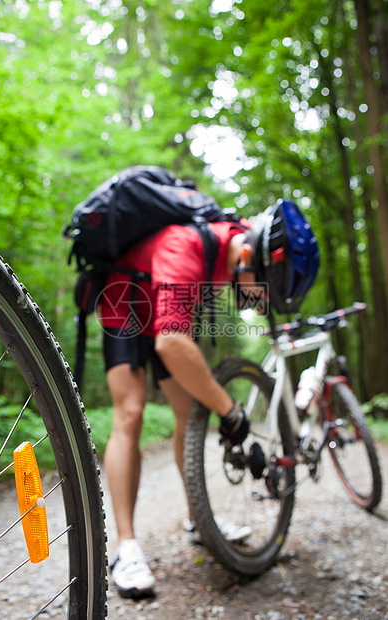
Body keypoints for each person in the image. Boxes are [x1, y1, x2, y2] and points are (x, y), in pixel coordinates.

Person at [97, 199, 319, 599]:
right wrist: (229, 409)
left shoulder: (229, 250)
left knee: (188, 415)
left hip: (162, 307)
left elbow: (174, 331)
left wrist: (219, 407)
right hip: (124, 303)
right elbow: (172, 342)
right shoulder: (187, 246)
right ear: (251, 257)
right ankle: (125, 547)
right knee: (130, 414)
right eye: (262, 290)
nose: (260, 301)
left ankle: (197, 519)